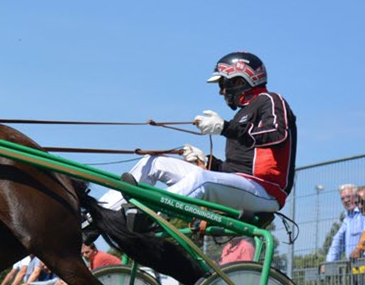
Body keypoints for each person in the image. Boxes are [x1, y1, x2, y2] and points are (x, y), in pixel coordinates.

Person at [98, 52, 296, 218]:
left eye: (222, 84)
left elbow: (278, 135)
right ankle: (98, 215)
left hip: (265, 191)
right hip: (242, 186)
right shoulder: (241, 116)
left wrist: (225, 128)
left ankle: (145, 215)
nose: (221, 92)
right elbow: (234, 170)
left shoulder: (270, 100)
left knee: (203, 180)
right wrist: (207, 161)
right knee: (155, 162)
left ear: (238, 81)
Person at [326, 184, 365, 263]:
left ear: (356, 196)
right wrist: (329, 263)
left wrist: (359, 249)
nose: (345, 200)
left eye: (348, 197)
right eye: (342, 198)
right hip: (355, 266)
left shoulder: (362, 213)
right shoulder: (347, 219)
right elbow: (337, 242)